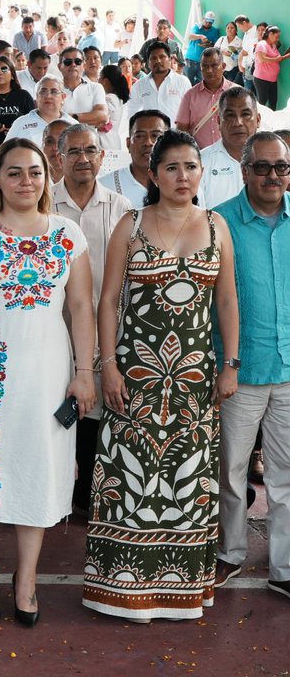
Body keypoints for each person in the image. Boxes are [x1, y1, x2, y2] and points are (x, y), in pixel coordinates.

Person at [86, 126, 242, 620]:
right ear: (152, 174)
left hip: (195, 378)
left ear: (201, 173)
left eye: (191, 166)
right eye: (171, 167)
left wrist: (230, 364)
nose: (182, 175)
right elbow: (108, 300)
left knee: (187, 477)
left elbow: (228, 300)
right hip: (135, 374)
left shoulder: (217, 226)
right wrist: (107, 365)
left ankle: (180, 591)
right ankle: (121, 588)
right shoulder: (130, 225)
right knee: (130, 478)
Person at [0, 138, 97, 628]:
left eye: (34, 172)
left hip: (48, 374)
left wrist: (83, 373)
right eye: (14, 173)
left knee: (37, 470)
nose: (26, 181)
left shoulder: (68, 233)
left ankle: (26, 579)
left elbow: (80, 308)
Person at [213, 131, 290, 602]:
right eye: (262, 167)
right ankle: (230, 550)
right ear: (244, 171)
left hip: (289, 370)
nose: (272, 176)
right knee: (231, 469)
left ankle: (284, 566)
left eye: (281, 167)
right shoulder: (220, 222)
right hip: (239, 371)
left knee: (286, 474)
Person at [50, 125, 133, 513]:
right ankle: (57, 489)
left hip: (107, 328)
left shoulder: (120, 208)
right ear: (59, 157)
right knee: (56, 409)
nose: (83, 158)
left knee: (98, 409)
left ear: (103, 157)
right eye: (74, 151)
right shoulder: (44, 203)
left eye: (91, 150)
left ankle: (89, 493)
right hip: (53, 328)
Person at [201, 87, 261, 209]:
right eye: (230, 115)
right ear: (218, 121)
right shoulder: (200, 163)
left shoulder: (275, 163)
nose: (238, 122)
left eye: (245, 114)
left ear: (258, 120)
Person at [99, 110, 173, 209]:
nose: (148, 142)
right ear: (128, 144)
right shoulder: (103, 187)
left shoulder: (185, 185)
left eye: (156, 136)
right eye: (140, 136)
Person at [129, 41, 192, 122]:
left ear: (169, 59)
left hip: (175, 133)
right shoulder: (139, 86)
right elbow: (132, 112)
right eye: (153, 58)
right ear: (148, 62)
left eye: (162, 57)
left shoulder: (182, 82)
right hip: (149, 133)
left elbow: (190, 111)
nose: (158, 61)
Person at [253, 26, 289, 110]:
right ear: (270, 34)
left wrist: (286, 56)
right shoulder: (262, 44)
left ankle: (270, 122)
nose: (278, 39)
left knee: (273, 103)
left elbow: (277, 60)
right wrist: (276, 59)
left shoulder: (273, 46)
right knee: (262, 102)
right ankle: (258, 121)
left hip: (272, 80)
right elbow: (261, 59)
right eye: (277, 36)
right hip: (262, 79)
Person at [97, 64, 130, 153]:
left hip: (106, 143)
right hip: (111, 142)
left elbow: (100, 119)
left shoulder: (109, 98)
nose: (98, 80)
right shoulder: (116, 98)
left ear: (105, 81)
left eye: (100, 77)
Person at [184, 11, 222, 85]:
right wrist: (200, 36)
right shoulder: (197, 27)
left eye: (210, 23)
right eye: (206, 21)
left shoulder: (215, 31)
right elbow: (190, 36)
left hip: (204, 62)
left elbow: (216, 45)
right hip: (190, 59)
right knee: (187, 83)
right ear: (203, 19)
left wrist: (208, 44)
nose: (208, 24)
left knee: (201, 84)